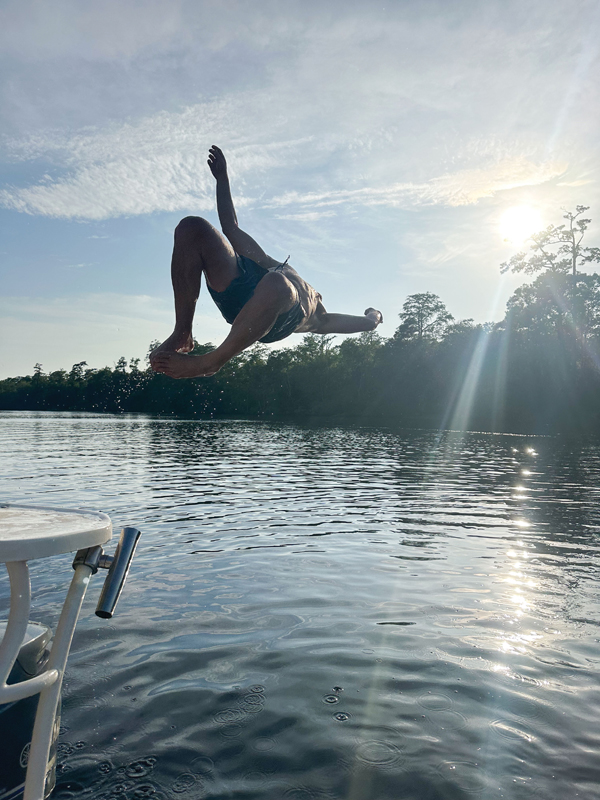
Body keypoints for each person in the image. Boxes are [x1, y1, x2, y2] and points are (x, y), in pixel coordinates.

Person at [150, 146, 383, 379]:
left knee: (277, 283)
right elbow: (231, 227)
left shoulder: (318, 316)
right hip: (245, 287)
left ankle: (210, 362)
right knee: (193, 227)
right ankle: (183, 331)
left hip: (274, 317)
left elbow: (368, 324)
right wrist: (222, 178)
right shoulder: (266, 261)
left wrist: (374, 315)